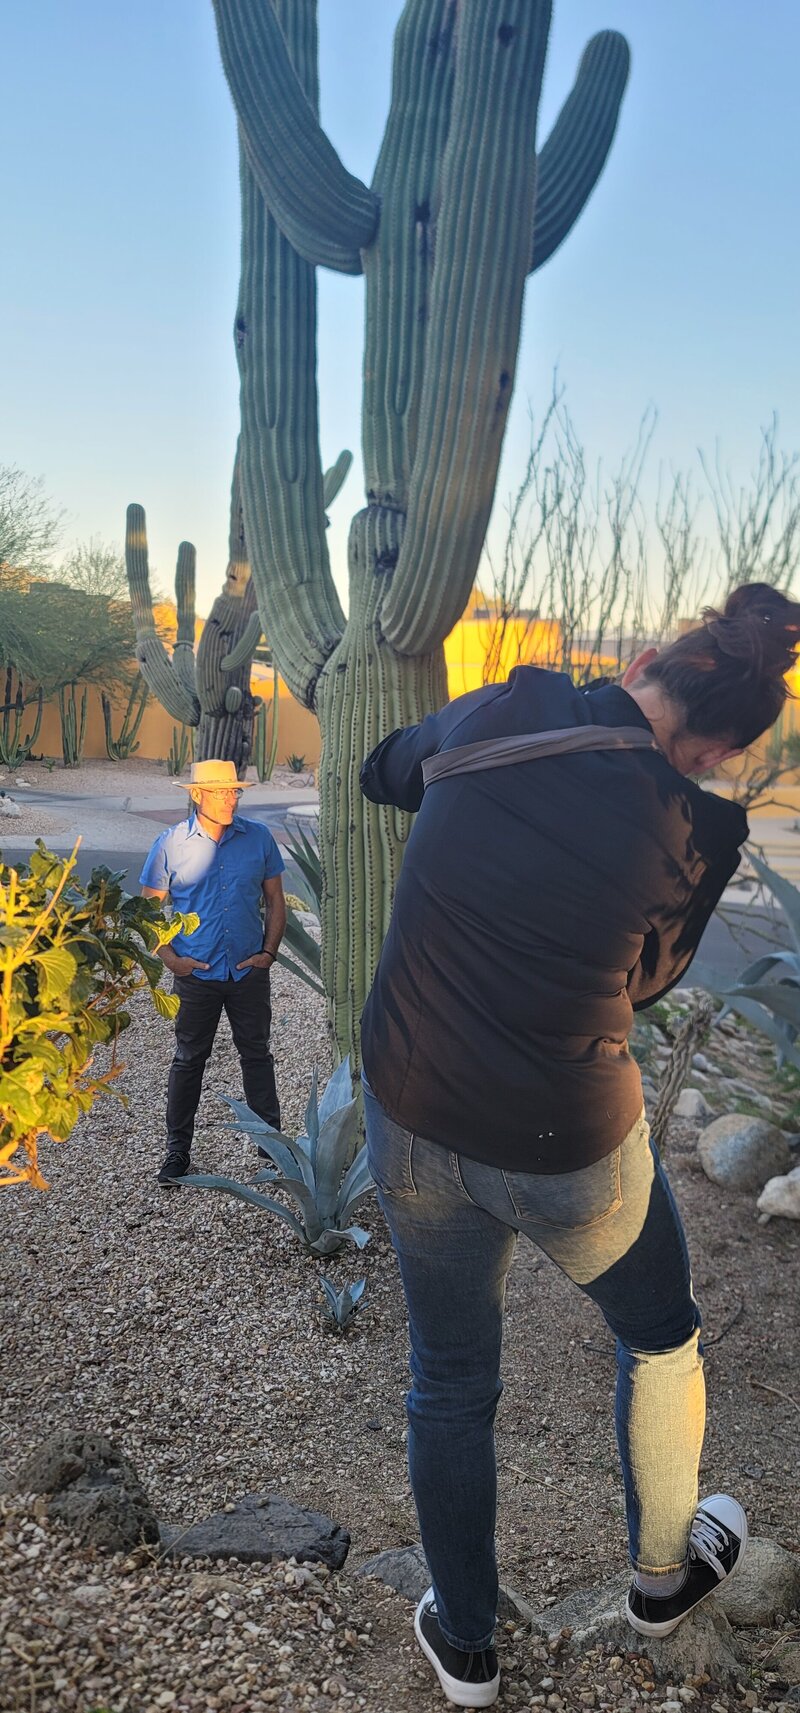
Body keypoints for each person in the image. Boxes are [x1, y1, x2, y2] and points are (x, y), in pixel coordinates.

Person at [359, 583, 800, 1708]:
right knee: (658, 1336)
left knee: (448, 1380)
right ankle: (662, 1575)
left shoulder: (505, 709)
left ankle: (464, 1647)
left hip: (411, 1109)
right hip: (567, 1143)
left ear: (647, 654)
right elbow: (644, 981)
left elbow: (383, 770)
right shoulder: (698, 825)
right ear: (712, 748)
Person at [140, 758, 287, 1187]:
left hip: (247, 973)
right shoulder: (170, 844)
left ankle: (273, 1152)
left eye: (235, 791)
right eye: (222, 791)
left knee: (257, 1056)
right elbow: (148, 911)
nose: (230, 799)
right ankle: (176, 1155)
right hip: (196, 975)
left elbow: (276, 900)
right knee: (188, 1061)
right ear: (197, 794)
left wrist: (268, 953)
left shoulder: (258, 838)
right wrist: (172, 960)